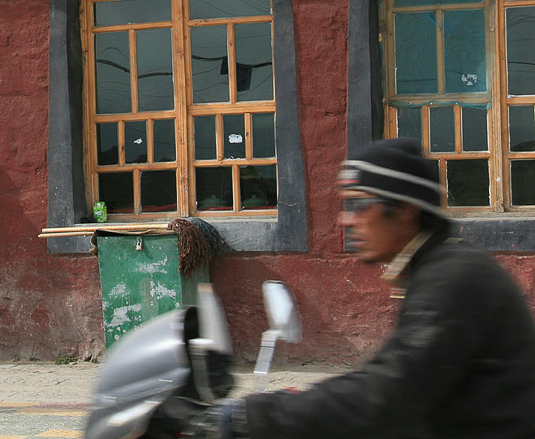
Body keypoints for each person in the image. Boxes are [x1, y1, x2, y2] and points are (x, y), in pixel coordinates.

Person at [203, 138, 535, 439]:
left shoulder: (454, 279)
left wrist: (255, 417)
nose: (346, 221)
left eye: (360, 206)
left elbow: (387, 393)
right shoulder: (432, 268)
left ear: (404, 211)